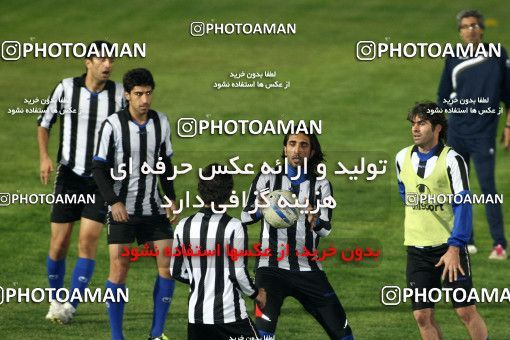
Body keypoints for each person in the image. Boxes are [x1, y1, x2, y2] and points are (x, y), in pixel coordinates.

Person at [37, 40, 124, 323]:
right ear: (88, 62)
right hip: (69, 176)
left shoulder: (120, 95)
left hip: (101, 180)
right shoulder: (66, 88)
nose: (107, 64)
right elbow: (45, 122)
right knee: (58, 243)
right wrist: (44, 157)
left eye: (111, 60)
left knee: (87, 242)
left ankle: (69, 307)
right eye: (101, 59)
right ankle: (55, 299)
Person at [92, 68, 179, 340]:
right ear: (127, 95)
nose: (144, 99)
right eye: (139, 94)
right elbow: (98, 168)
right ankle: (117, 337)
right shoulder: (112, 125)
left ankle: (156, 333)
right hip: (122, 210)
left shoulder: (161, 122)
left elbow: (165, 164)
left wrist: (170, 196)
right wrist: (113, 201)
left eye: (148, 93)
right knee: (119, 269)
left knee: (168, 266)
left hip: (153, 208)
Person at [241, 133, 354, 340]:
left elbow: (326, 229)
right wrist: (261, 209)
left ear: (311, 152)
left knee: (343, 333)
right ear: (285, 149)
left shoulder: (321, 185)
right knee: (263, 333)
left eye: (303, 145)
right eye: (292, 144)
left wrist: (316, 219)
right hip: (270, 267)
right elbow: (245, 216)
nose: (297, 150)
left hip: (308, 268)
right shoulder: (266, 178)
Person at [396, 102, 488, 339]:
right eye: (413, 123)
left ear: (437, 128)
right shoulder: (401, 157)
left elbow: (463, 204)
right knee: (421, 316)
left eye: (422, 123)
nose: (415, 129)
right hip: (416, 249)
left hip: (448, 248)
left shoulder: (452, 160)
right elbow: (404, 190)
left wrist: (455, 246)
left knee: (465, 311)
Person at [437, 9, 510, 259]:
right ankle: (466, 240)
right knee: (460, 190)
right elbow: (443, 95)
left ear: (482, 29)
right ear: (460, 32)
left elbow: (508, 96)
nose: (471, 30)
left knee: (489, 189)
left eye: (475, 26)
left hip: (484, 135)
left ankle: (499, 244)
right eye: (466, 26)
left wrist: (509, 127)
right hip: (457, 133)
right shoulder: (453, 57)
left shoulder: (497, 56)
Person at [170, 163, 266, 340]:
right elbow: (238, 272)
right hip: (230, 317)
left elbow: (175, 271)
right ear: (230, 193)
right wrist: (256, 293)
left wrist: (201, 278)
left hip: (196, 319)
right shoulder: (234, 227)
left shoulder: (183, 225)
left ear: (200, 190)